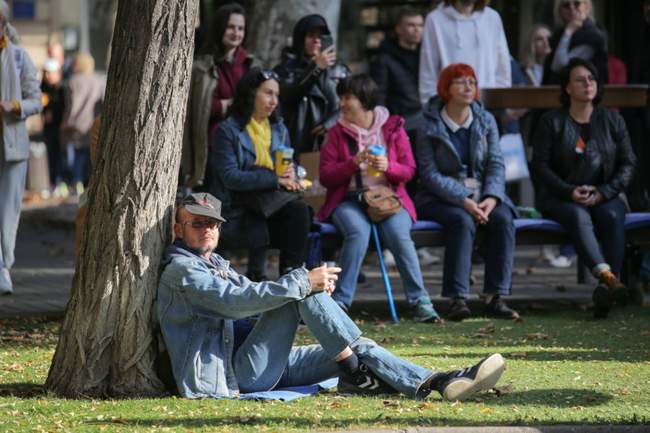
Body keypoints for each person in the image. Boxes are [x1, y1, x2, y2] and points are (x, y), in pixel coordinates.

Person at [157, 192, 507, 400]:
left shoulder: (214, 262)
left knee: (352, 348)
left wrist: (311, 289)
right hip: (237, 375)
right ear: (177, 228)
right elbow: (238, 303)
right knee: (302, 292)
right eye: (196, 223)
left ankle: (437, 381)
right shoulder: (181, 272)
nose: (207, 230)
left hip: (270, 363)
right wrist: (305, 284)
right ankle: (375, 373)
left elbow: (252, 295)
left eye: (212, 224)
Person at [317, 74, 440, 322]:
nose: (342, 103)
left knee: (398, 234)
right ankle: (341, 303)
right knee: (358, 233)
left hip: (389, 199)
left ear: (364, 100)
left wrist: (388, 166)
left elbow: (410, 170)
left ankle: (420, 302)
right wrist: (352, 164)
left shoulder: (393, 127)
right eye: (341, 97)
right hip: (349, 200)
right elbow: (326, 176)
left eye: (347, 97)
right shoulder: (337, 133)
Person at [532, 58, 636, 318]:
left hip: (604, 193)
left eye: (591, 78)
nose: (587, 84)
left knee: (612, 215)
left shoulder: (613, 121)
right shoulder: (551, 121)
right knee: (577, 214)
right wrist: (569, 191)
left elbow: (628, 163)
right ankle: (609, 277)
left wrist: (604, 192)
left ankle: (606, 289)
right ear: (567, 88)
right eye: (580, 79)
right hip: (560, 197)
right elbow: (541, 166)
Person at [415, 63, 519, 322]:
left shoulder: (486, 120)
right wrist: (464, 200)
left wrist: (492, 198)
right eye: (460, 81)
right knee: (462, 221)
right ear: (445, 88)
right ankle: (457, 299)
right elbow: (429, 174)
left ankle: (495, 297)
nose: (468, 87)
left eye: (472, 81)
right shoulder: (428, 124)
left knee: (504, 218)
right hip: (439, 197)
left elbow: (496, 163)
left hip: (484, 196)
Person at [210, 67, 311, 278]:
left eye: (277, 95)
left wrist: (291, 175)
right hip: (237, 208)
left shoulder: (279, 128)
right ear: (250, 93)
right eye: (268, 93)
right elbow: (230, 177)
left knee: (301, 212)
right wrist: (275, 179)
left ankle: (292, 275)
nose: (274, 101)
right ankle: (273, 276)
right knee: (294, 214)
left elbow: (286, 164)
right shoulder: (227, 130)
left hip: (268, 204)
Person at [181, 3, 255, 190]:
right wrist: (226, 105)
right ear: (220, 27)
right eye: (231, 27)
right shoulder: (201, 66)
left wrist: (225, 105)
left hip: (246, 144)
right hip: (211, 145)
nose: (236, 33)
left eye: (240, 28)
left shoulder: (250, 64)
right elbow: (196, 109)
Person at [0, 2, 42, 295]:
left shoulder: (17, 56)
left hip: (12, 149)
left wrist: (14, 106)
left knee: (8, 213)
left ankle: (4, 267)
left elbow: (35, 100)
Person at [274, 14, 346, 155]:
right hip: (296, 143)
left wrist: (330, 123)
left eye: (321, 36)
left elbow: (354, 103)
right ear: (300, 39)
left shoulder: (339, 70)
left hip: (333, 145)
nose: (316, 41)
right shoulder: (285, 69)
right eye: (311, 35)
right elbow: (290, 95)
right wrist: (316, 67)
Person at [419, 0, 511, 106]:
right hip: (448, 106)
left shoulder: (492, 18)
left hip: (487, 105)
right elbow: (428, 67)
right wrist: (430, 105)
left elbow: (502, 63)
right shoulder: (435, 19)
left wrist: (501, 99)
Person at [60, 52, 105, 195]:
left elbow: (70, 107)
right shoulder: (99, 81)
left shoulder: (72, 82)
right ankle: (89, 186)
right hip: (92, 124)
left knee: (75, 159)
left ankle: (76, 183)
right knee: (91, 157)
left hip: (74, 127)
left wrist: (64, 123)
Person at [543, 0, 607, 85]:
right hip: (555, 90)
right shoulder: (557, 35)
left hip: (583, 91)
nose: (572, 8)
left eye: (577, 3)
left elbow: (560, 65)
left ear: (586, 7)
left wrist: (568, 33)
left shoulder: (593, 35)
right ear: (560, 11)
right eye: (566, 5)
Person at [40, 57, 66, 194]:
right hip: (49, 128)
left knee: (63, 156)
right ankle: (53, 182)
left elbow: (64, 107)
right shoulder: (43, 87)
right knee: (51, 155)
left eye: (50, 73)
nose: (47, 76)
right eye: (46, 73)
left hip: (61, 128)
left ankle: (62, 182)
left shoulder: (62, 88)